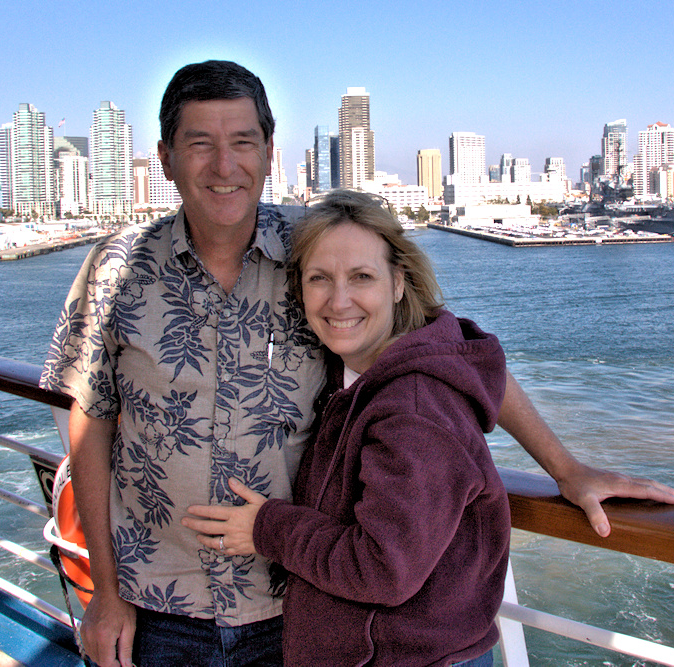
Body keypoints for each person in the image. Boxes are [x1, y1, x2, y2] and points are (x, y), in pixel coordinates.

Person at [42, 60, 674, 667]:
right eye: (199, 143)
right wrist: (106, 588)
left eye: (242, 141)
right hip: (155, 604)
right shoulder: (118, 269)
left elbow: (451, 354)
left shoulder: (317, 251)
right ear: (166, 157)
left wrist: (565, 468)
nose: (223, 164)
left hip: (292, 604)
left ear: (269, 151)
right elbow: (89, 416)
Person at [182, 189, 506, 666]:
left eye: (361, 277)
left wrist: (267, 528)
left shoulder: (415, 407)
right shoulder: (354, 370)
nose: (339, 300)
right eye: (319, 279)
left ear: (398, 282)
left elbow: (384, 567)